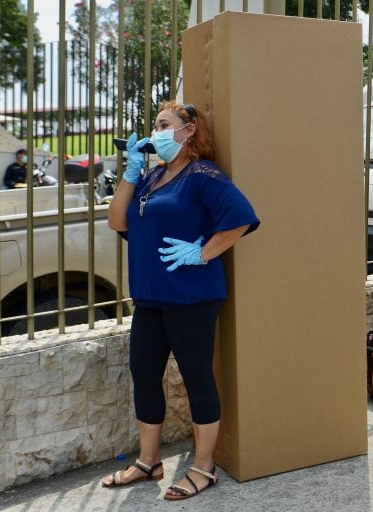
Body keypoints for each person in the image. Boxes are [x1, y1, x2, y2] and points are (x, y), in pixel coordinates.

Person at [102, 101, 260, 500]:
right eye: (154, 125)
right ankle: (149, 461)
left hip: (191, 297)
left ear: (188, 131)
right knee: (144, 374)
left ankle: (203, 468)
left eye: (163, 124)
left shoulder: (203, 175)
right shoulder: (152, 176)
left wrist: (202, 252)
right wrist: (130, 173)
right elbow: (118, 221)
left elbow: (242, 216)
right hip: (151, 297)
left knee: (197, 379)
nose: (154, 132)